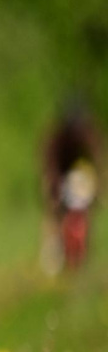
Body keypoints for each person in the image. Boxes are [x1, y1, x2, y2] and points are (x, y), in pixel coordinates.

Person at [40, 96, 100, 275]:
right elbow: (49, 163)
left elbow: (98, 157)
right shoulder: (56, 137)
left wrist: (99, 182)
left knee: (88, 207)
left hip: (79, 176)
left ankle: (83, 250)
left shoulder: (89, 134)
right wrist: (53, 185)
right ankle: (51, 253)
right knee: (53, 208)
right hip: (59, 174)